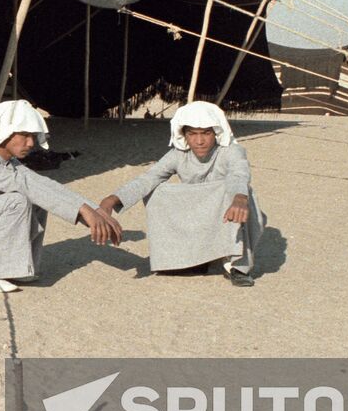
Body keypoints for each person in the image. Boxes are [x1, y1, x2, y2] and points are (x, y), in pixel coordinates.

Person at [0, 99, 122, 292]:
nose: (31, 143)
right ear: (5, 132)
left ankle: (18, 267)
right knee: (17, 200)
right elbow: (24, 185)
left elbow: (43, 185)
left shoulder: (9, 163)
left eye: (33, 136)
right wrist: (83, 211)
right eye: (24, 135)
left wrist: (94, 210)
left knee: (38, 198)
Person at [99, 101, 264, 287]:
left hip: (226, 210)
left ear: (216, 133)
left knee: (244, 194)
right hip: (196, 211)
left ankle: (238, 267)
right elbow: (148, 178)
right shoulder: (178, 154)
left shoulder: (231, 151)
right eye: (192, 134)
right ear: (184, 135)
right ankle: (195, 259)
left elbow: (239, 174)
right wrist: (112, 199)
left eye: (206, 133)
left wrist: (240, 197)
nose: (199, 141)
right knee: (155, 192)